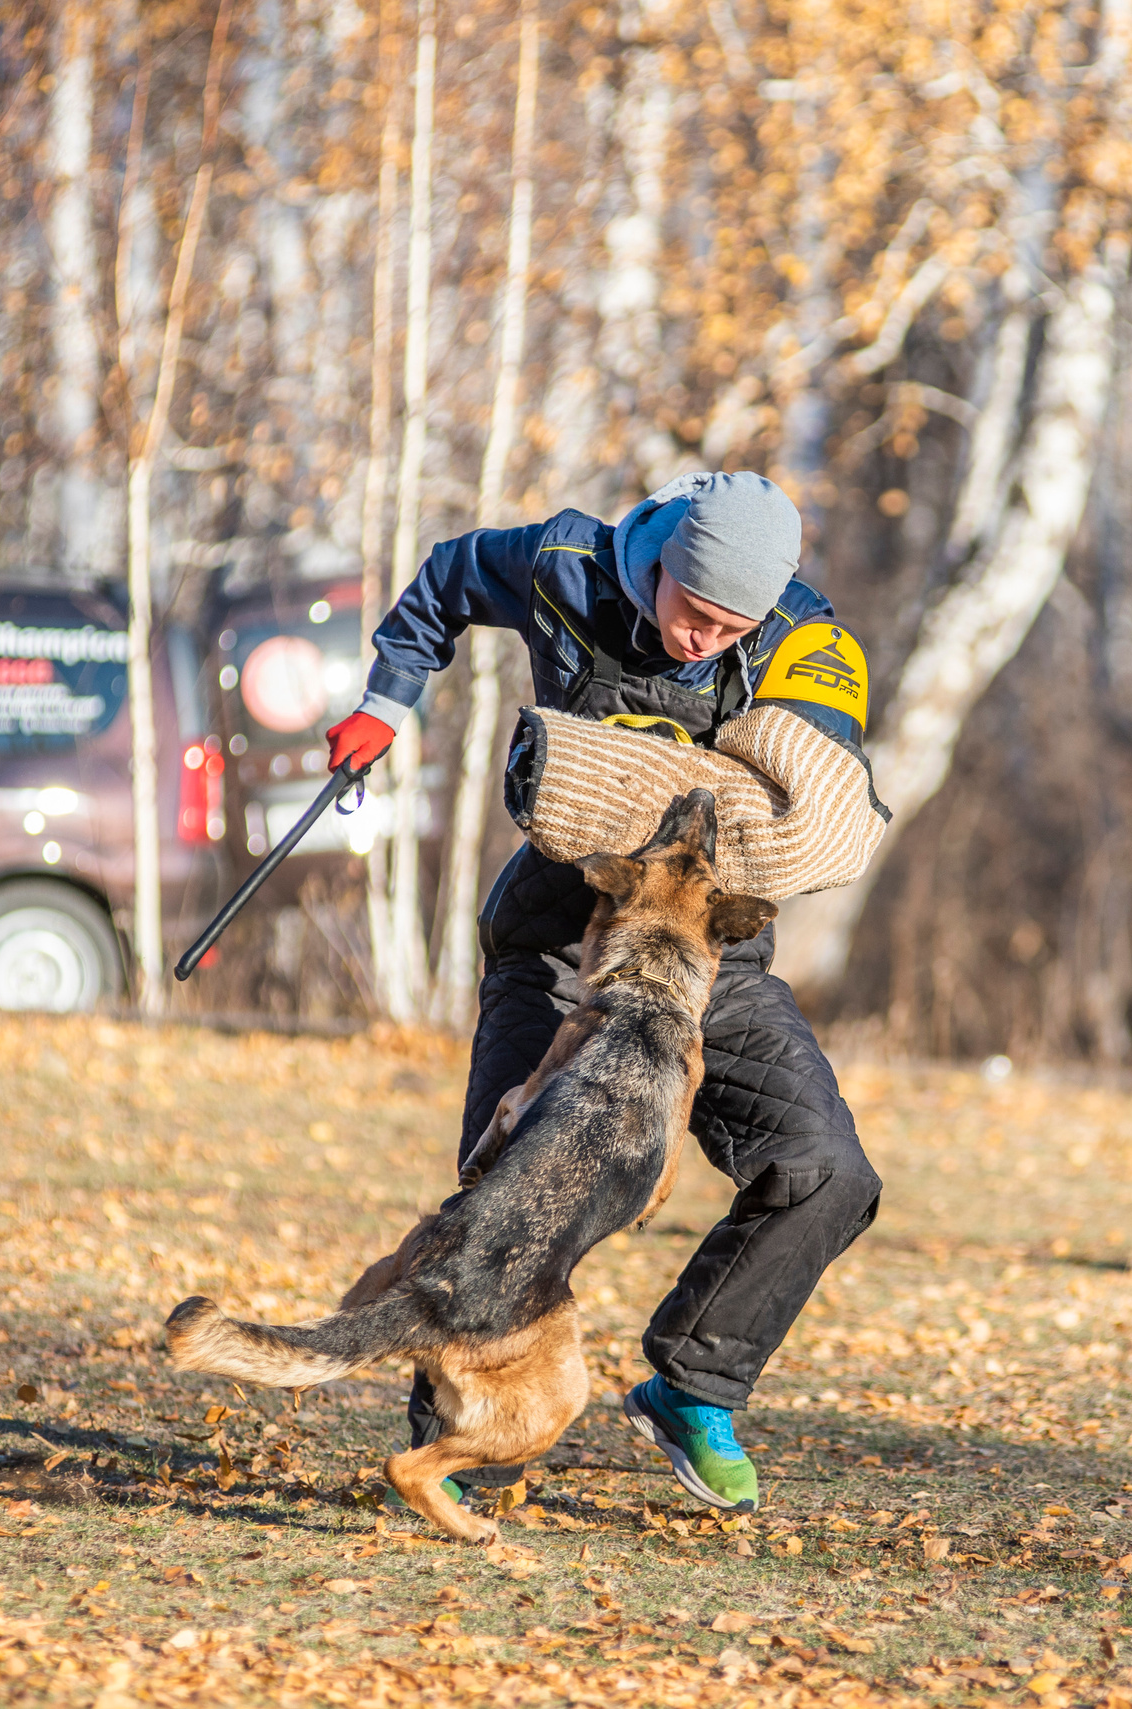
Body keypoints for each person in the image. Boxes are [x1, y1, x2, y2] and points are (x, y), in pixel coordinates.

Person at [323, 470, 883, 1515]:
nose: (700, 642)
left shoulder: (808, 639)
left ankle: (694, 1384)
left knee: (826, 1168)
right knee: (501, 1191)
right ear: (659, 560)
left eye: (730, 631)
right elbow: (448, 577)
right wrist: (382, 703)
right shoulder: (567, 564)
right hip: (555, 943)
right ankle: (458, 1443)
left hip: (705, 958)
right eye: (690, 611)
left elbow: (807, 808)